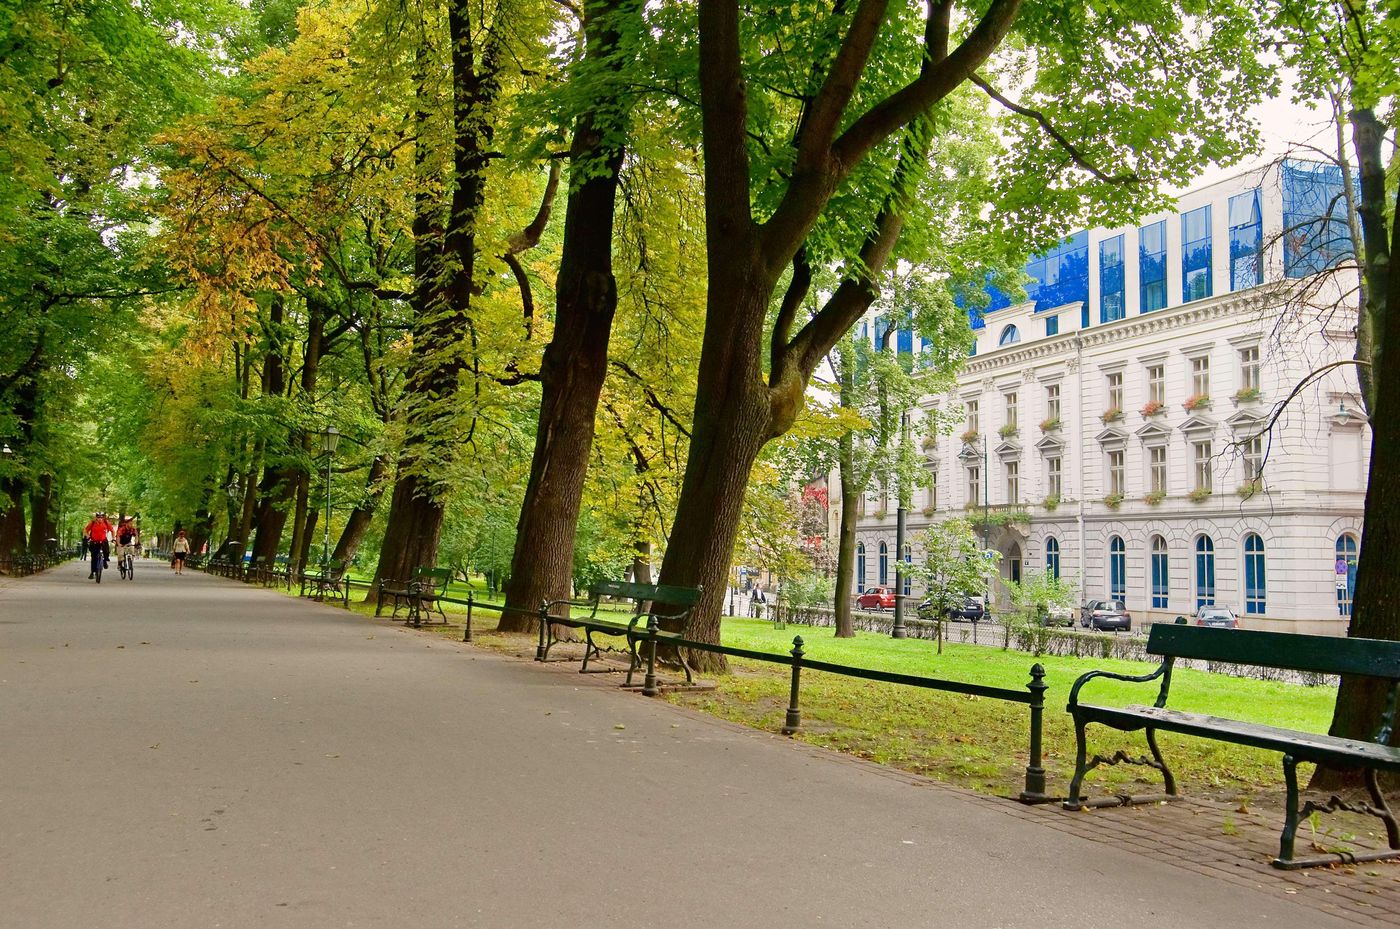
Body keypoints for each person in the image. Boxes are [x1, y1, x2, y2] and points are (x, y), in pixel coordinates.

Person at [83, 512, 114, 578]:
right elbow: (85, 530)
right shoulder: (92, 523)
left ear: (103, 518)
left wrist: (113, 538)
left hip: (103, 540)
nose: (100, 519)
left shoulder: (106, 523)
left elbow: (112, 530)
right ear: (96, 518)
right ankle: (92, 572)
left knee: (106, 551)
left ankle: (105, 561)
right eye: (98, 517)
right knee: (94, 557)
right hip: (94, 541)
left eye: (101, 517)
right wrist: (88, 536)